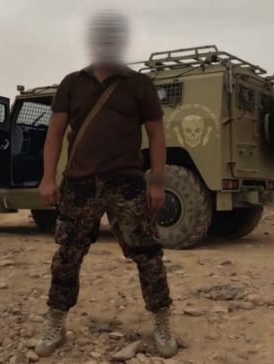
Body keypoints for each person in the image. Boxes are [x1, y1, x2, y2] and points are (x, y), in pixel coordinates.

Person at [35, 10, 177, 358]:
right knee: (67, 254)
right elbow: (54, 133)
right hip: (79, 185)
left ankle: (162, 323)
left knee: (148, 255)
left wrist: (156, 182)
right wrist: (47, 176)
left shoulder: (139, 84)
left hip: (126, 184)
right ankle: (56, 322)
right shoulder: (73, 83)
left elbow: (157, 136)